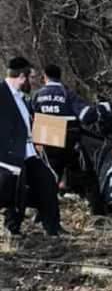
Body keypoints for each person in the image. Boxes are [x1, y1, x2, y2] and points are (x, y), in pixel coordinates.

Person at [0, 56, 61, 236]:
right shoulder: (1, 93)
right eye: (31, 77)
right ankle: (12, 228)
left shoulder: (22, 98)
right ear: (21, 76)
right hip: (10, 155)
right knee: (17, 191)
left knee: (47, 180)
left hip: (29, 153)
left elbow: (29, 125)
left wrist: (58, 133)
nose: (33, 81)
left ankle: (52, 227)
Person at [30, 63, 112, 187]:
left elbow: (28, 118)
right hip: (68, 141)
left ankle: (45, 203)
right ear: (59, 77)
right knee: (86, 177)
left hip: (46, 141)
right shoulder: (67, 93)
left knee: (49, 178)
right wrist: (103, 108)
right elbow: (86, 116)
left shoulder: (36, 95)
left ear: (45, 77)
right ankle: (95, 204)